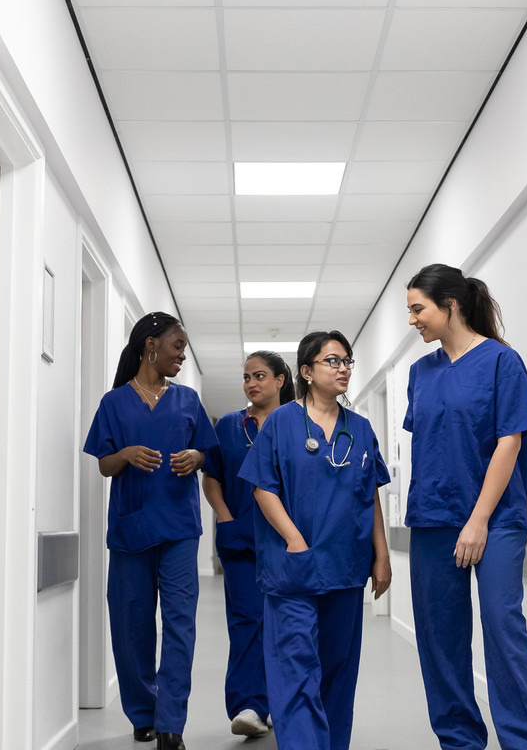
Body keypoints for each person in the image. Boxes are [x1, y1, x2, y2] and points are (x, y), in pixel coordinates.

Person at [403, 264, 527, 750]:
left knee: (502, 629)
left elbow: (508, 443)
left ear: (450, 305)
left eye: (417, 309)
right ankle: (460, 741)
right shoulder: (419, 373)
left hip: (495, 519)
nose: (412, 321)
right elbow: (431, 443)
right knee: (439, 641)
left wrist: (478, 520)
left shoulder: (500, 362)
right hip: (432, 517)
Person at [238, 330, 391, 750]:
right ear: (306, 372)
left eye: (347, 361)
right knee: (296, 670)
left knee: (338, 671)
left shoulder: (359, 428)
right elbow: (262, 487)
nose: (343, 369)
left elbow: (370, 494)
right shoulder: (282, 422)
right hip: (293, 570)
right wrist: (293, 539)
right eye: (332, 361)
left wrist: (381, 555)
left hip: (345, 567)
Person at [82, 312, 218, 750]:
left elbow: (209, 454)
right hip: (130, 531)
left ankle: (170, 722)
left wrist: (196, 458)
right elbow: (104, 464)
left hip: (179, 530)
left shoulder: (189, 400)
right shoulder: (113, 403)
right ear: (151, 346)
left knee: (180, 625)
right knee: (131, 627)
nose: (182, 355)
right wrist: (125, 454)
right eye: (177, 346)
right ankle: (142, 711)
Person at [200, 350, 294, 737]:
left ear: (279, 381)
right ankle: (248, 705)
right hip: (240, 538)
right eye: (246, 377)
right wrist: (224, 517)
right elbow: (212, 477)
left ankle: (283, 702)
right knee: (245, 622)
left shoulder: (298, 423)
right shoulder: (227, 427)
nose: (251, 384)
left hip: (289, 541)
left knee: (288, 625)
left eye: (259, 376)